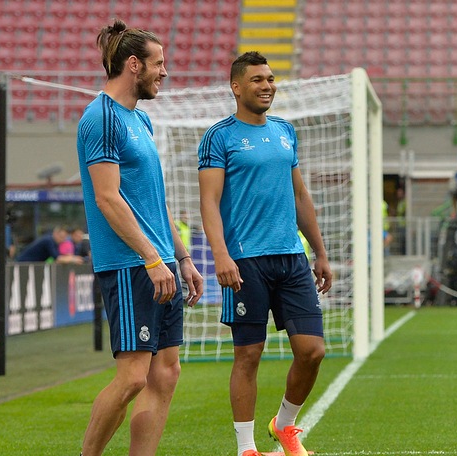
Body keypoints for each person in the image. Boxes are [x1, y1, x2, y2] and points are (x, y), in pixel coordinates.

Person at [75, 19, 203, 456]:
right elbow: (108, 199)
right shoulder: (101, 118)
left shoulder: (140, 121)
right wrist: (151, 258)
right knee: (132, 376)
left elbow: (154, 200)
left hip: (159, 262)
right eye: (158, 64)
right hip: (131, 265)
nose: (164, 72)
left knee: (165, 373)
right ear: (134, 65)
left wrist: (181, 258)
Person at [198, 51, 332, 456]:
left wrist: (320, 252)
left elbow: (300, 194)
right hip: (245, 261)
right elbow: (209, 201)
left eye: (271, 78)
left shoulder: (285, 131)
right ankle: (246, 447)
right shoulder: (218, 137)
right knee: (249, 354)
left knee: (313, 351)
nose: (267, 85)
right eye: (258, 79)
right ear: (236, 87)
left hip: (291, 257)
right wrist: (220, 255)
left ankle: (284, 424)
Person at [16, 226, 84, 264]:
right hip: (23, 263)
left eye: (64, 238)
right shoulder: (48, 241)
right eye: (61, 237)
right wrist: (73, 259)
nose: (63, 240)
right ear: (55, 233)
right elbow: (58, 258)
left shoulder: (55, 243)